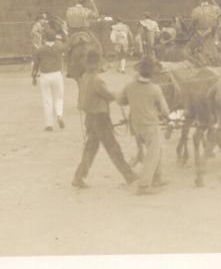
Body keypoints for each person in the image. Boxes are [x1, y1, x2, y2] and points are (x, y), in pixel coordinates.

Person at [71, 50, 138, 189]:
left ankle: (78, 177)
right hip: (100, 118)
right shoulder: (97, 80)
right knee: (113, 147)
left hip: (90, 118)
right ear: (97, 64)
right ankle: (129, 176)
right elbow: (107, 95)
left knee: (91, 148)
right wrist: (119, 95)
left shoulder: (84, 77)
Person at [117, 57, 170, 195]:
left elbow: (120, 100)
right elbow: (165, 110)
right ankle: (144, 185)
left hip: (135, 125)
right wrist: (162, 113)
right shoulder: (155, 89)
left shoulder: (129, 86)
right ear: (152, 74)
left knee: (156, 150)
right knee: (153, 153)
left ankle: (157, 178)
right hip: (150, 125)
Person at [31, 31, 67, 132]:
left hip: (45, 76)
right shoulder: (59, 47)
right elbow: (67, 45)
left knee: (47, 99)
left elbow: (36, 65)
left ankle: (49, 124)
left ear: (44, 39)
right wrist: (63, 32)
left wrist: (33, 77)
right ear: (54, 38)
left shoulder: (40, 50)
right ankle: (59, 114)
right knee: (59, 97)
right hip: (57, 74)